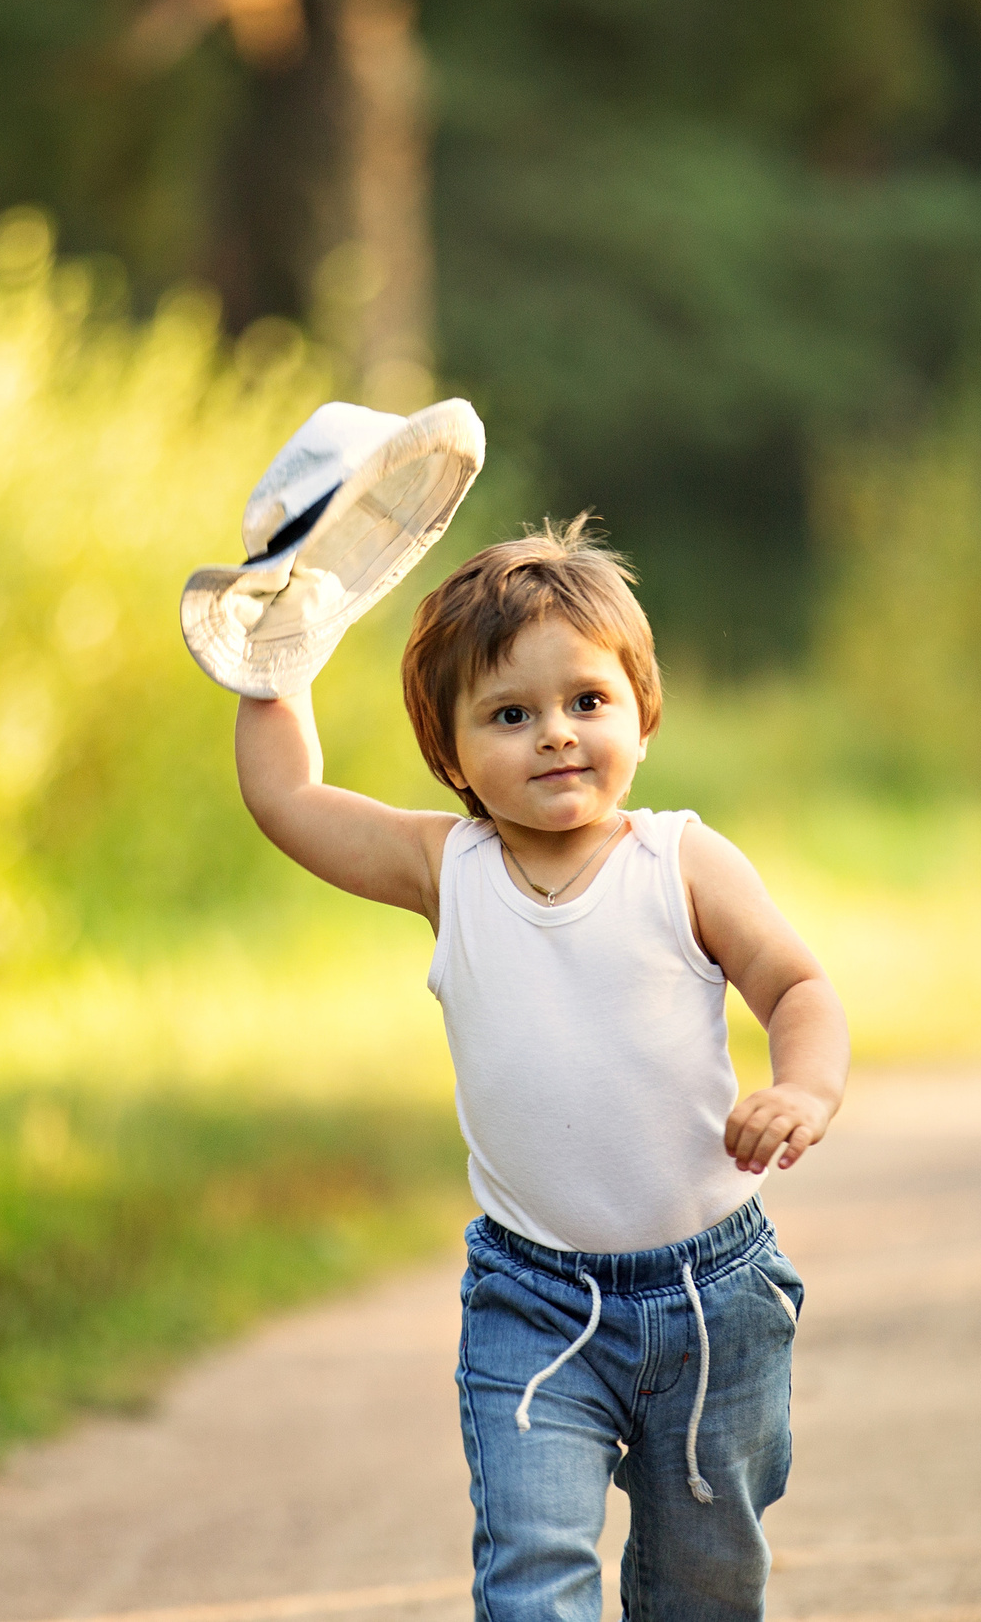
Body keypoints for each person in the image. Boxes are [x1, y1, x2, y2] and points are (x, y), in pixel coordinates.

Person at [231, 514, 850, 1622]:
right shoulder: (447, 868)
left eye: (586, 703)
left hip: (715, 1295)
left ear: (642, 714)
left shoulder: (681, 862)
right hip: (533, 1297)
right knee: (531, 1575)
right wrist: (276, 658)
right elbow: (288, 801)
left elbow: (796, 988)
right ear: (451, 752)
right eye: (509, 716)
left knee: (705, 1585)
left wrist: (802, 1086)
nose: (555, 735)